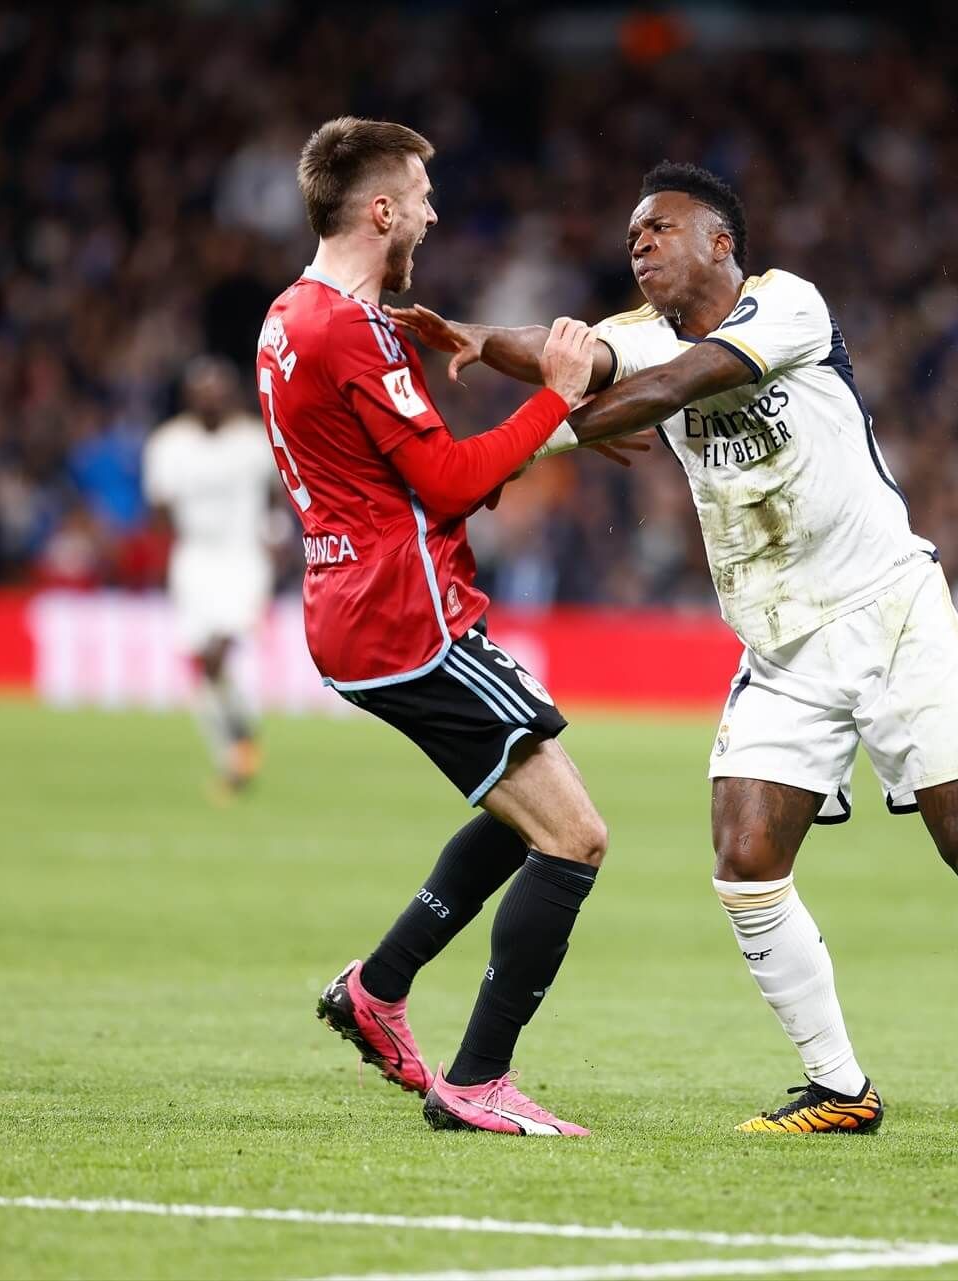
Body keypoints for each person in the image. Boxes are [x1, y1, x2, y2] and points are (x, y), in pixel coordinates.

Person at [392, 163, 958, 1143]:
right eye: (631, 235)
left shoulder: (787, 304)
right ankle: (840, 1087)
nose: (640, 244)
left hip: (888, 615)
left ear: (721, 242)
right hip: (781, 643)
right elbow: (564, 349)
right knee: (746, 862)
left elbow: (679, 383)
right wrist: (471, 339)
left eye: (659, 228)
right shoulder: (634, 336)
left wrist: (566, 419)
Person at [260, 116, 628, 1137]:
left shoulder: (290, 315)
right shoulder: (349, 329)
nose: (433, 210)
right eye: (420, 195)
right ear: (380, 210)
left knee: (526, 816)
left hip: (356, 606)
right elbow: (447, 481)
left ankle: (377, 989)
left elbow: (391, 481)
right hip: (404, 620)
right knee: (576, 836)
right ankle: (475, 1083)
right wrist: (553, 401)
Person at [142, 357, 279, 797]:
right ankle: (236, 753)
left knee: (219, 652)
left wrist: (275, 536)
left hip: (242, 558)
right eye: (203, 393)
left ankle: (241, 739)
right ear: (189, 398)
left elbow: (279, 495)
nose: (211, 400)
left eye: (218, 392)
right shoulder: (168, 445)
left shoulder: (253, 443)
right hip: (195, 561)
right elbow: (160, 508)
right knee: (203, 668)